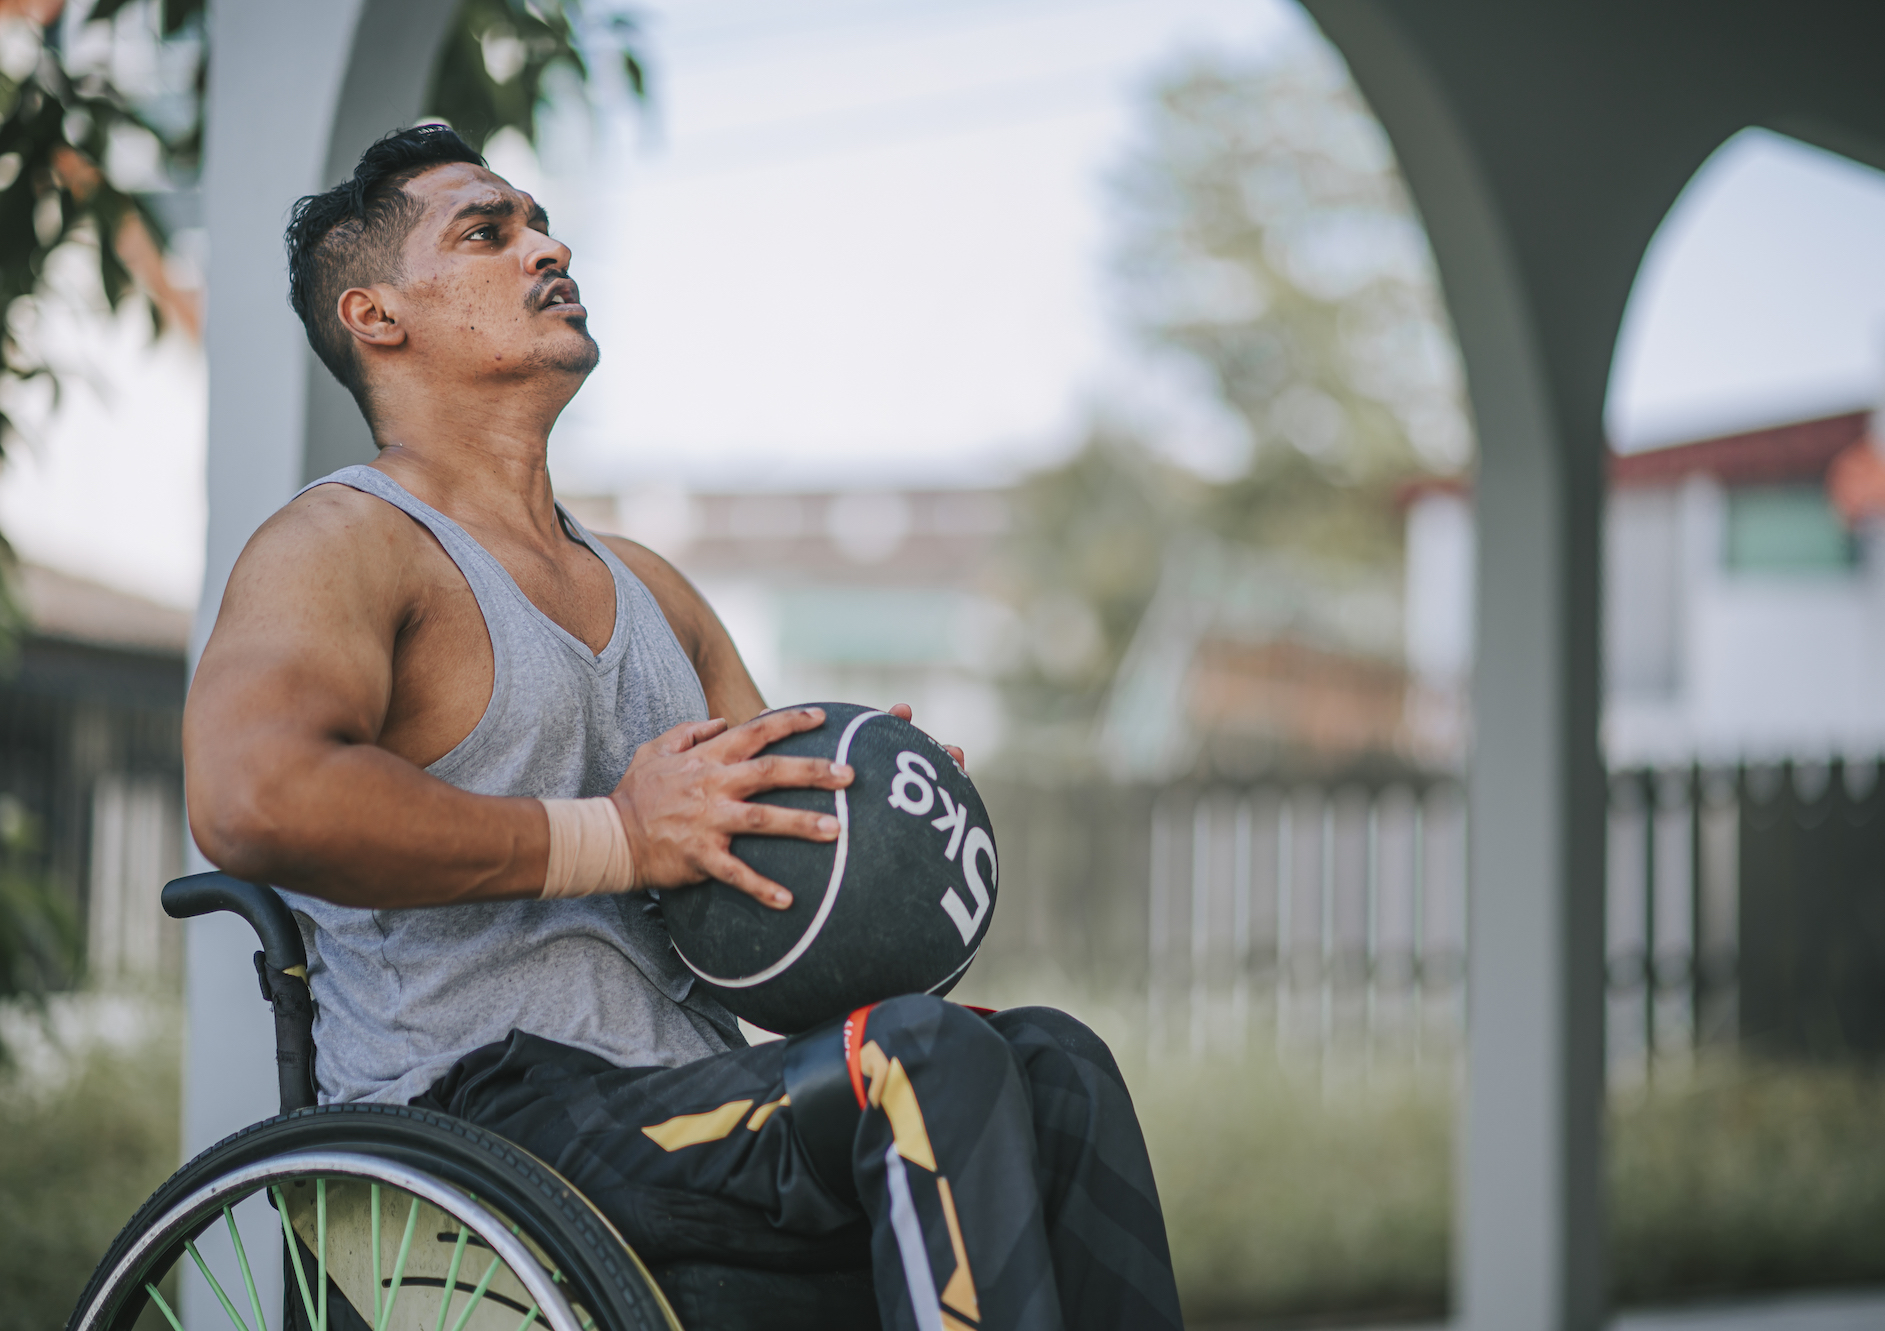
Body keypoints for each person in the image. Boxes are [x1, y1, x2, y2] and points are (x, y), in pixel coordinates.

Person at [184, 124, 1182, 1331]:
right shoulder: (341, 544)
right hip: (483, 1113)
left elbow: (782, 903)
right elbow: (254, 796)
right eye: (487, 232)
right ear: (377, 315)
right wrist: (615, 836)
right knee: (915, 1065)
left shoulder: (654, 589)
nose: (547, 247)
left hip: (691, 1099)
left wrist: (864, 824)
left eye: (539, 222)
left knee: (1053, 1062)